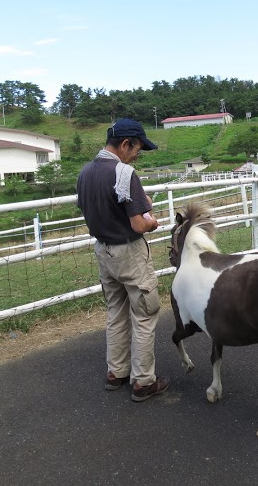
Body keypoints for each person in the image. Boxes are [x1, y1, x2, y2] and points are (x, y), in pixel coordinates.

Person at [77, 118, 170, 402]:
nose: (136, 155)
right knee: (144, 315)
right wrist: (152, 221)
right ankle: (143, 382)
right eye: (136, 149)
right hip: (129, 253)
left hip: (103, 251)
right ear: (125, 144)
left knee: (115, 313)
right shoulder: (123, 172)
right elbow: (139, 226)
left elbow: (100, 206)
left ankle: (115, 372)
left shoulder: (85, 172)